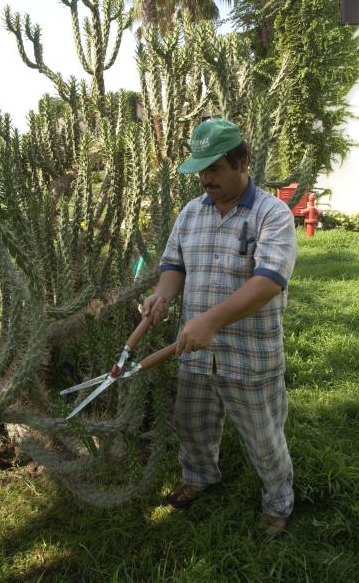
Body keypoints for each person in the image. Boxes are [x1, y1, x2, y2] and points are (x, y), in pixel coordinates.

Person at [143, 118, 297, 537]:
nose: (205, 179)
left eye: (214, 169)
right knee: (193, 425)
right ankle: (199, 477)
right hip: (194, 350)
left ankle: (278, 502)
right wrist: (162, 296)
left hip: (250, 355)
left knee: (264, 438)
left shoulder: (272, 214)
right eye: (200, 170)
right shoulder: (192, 213)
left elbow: (268, 282)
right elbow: (174, 265)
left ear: (242, 161)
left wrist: (211, 321)